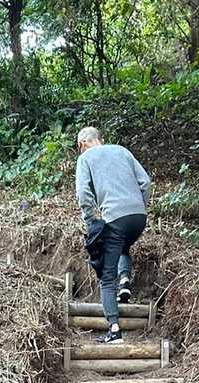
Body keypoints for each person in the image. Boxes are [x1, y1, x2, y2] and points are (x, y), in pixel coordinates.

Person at [75, 126, 150, 344]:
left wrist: (91, 221)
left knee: (107, 278)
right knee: (122, 246)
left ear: (82, 144)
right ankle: (125, 280)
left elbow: (83, 193)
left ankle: (114, 330)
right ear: (101, 139)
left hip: (115, 219)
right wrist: (139, 206)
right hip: (138, 217)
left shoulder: (85, 159)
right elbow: (145, 182)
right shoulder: (122, 151)